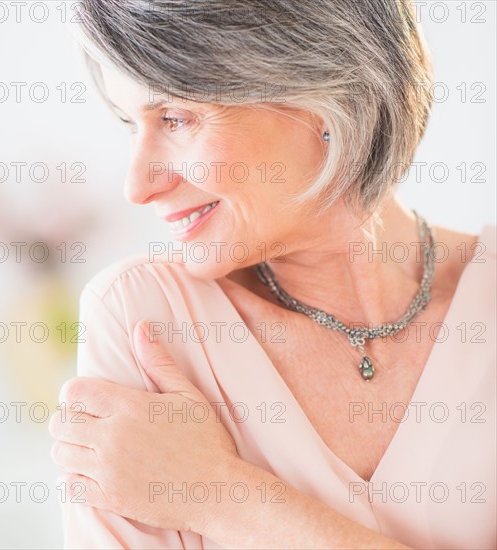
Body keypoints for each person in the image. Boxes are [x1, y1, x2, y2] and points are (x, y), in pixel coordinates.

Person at [49, 0, 496, 548]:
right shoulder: (146, 318)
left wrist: (217, 494)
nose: (137, 185)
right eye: (130, 125)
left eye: (176, 118)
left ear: (321, 101)